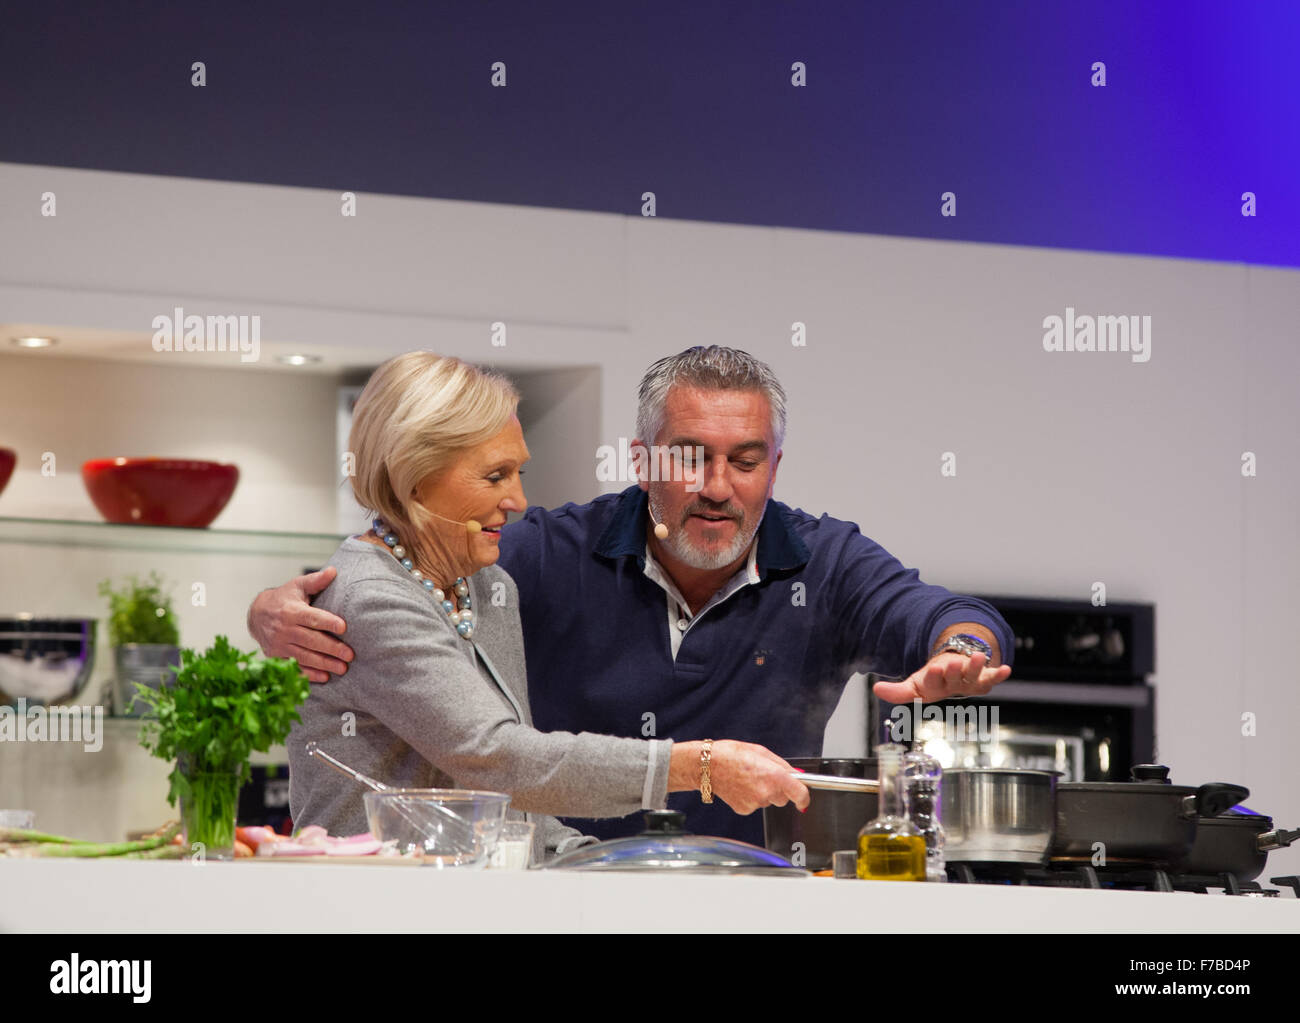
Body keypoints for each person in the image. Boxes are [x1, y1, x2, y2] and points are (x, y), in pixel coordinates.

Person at [252, 346, 1013, 847]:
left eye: (745, 461)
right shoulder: (531, 559)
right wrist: (270, 608)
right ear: (643, 460)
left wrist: (965, 647)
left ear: (774, 466)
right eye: (692, 458)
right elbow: (494, 753)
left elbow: (936, 612)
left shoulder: (827, 560)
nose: (718, 486)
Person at [285, 351, 810, 863]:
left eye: (518, 473)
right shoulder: (372, 598)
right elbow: (498, 760)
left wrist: (598, 860)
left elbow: (514, 805)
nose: (517, 500)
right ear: (414, 476)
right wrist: (698, 766)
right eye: (494, 476)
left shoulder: (488, 586)